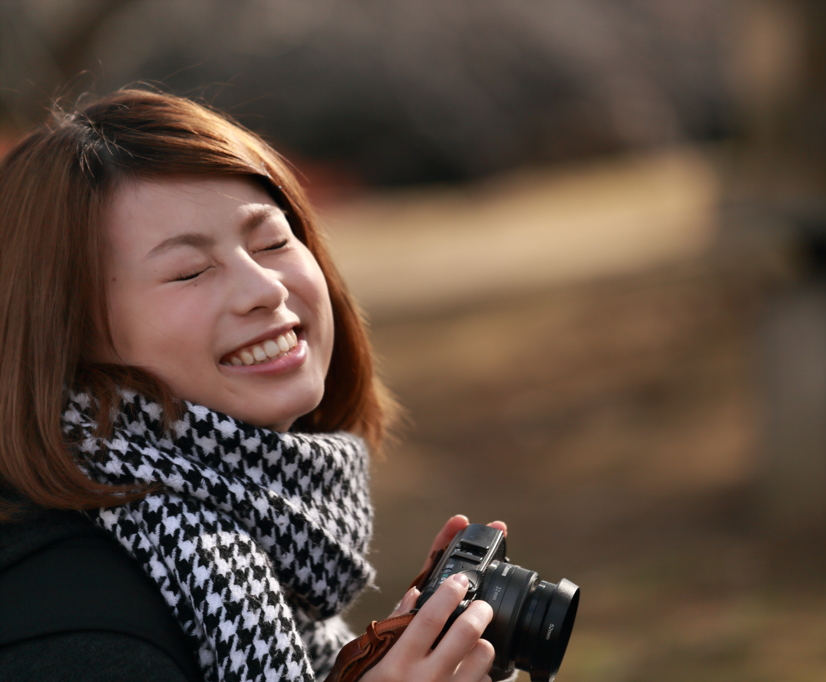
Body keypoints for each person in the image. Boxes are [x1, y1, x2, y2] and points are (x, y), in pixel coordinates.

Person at [0, 89, 505, 682]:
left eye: (272, 241)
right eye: (189, 270)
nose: (264, 287)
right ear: (66, 329)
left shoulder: (243, 545)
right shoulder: (67, 616)